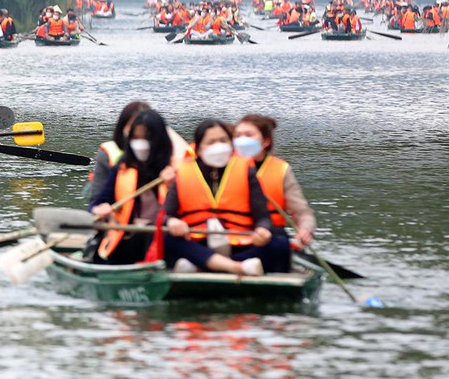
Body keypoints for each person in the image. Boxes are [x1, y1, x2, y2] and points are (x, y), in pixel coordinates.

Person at [160, 120, 290, 276]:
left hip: (239, 242)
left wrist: (262, 230)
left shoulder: (246, 171)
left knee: (280, 243)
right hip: (198, 241)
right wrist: (172, 221)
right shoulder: (183, 172)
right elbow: (165, 215)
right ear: (199, 148)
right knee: (167, 238)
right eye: (211, 142)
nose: (218, 146)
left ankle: (203, 267)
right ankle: (236, 267)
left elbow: (263, 217)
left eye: (223, 140)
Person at [89, 108, 176, 264]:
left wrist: (172, 184)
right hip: (128, 238)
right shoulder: (123, 167)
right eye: (136, 137)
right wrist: (100, 208)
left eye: (146, 138)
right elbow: (99, 201)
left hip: (164, 238)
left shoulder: (175, 168)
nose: (140, 143)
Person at [233, 114, 316, 245]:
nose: (242, 140)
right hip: (231, 233)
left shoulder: (281, 170)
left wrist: (305, 230)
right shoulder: (221, 165)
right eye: (237, 136)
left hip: (268, 235)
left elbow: (302, 213)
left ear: (265, 141)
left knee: (279, 245)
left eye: (248, 135)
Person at [85, 101, 149, 203]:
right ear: (123, 128)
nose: (138, 133)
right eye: (132, 129)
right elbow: (96, 201)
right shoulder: (108, 155)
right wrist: (102, 207)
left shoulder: (165, 155)